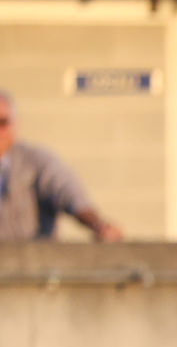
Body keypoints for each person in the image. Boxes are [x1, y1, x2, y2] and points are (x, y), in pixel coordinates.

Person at [0, 91, 125, 240]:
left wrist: (97, 225)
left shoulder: (36, 160)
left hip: (33, 253)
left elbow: (68, 193)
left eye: (2, 122)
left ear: (14, 124)